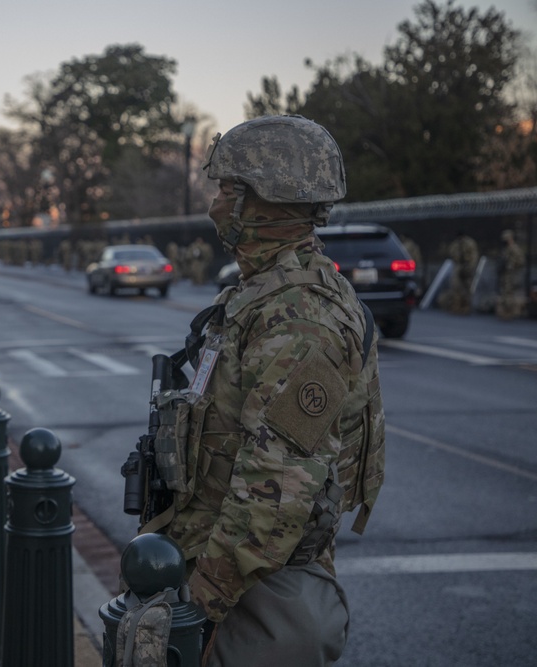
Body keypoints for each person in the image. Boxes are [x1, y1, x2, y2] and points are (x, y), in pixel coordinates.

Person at [147, 116, 385, 666]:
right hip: (222, 564)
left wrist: (199, 609)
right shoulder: (260, 294)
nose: (214, 207)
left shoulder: (303, 319)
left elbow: (276, 492)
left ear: (264, 202)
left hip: (247, 593)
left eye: (227, 192)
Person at [495, 229, 526, 320]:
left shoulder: (515, 249)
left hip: (511, 275)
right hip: (505, 275)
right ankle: (505, 312)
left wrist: (511, 265)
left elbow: (521, 262)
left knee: (509, 294)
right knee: (504, 293)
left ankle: (509, 313)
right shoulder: (505, 249)